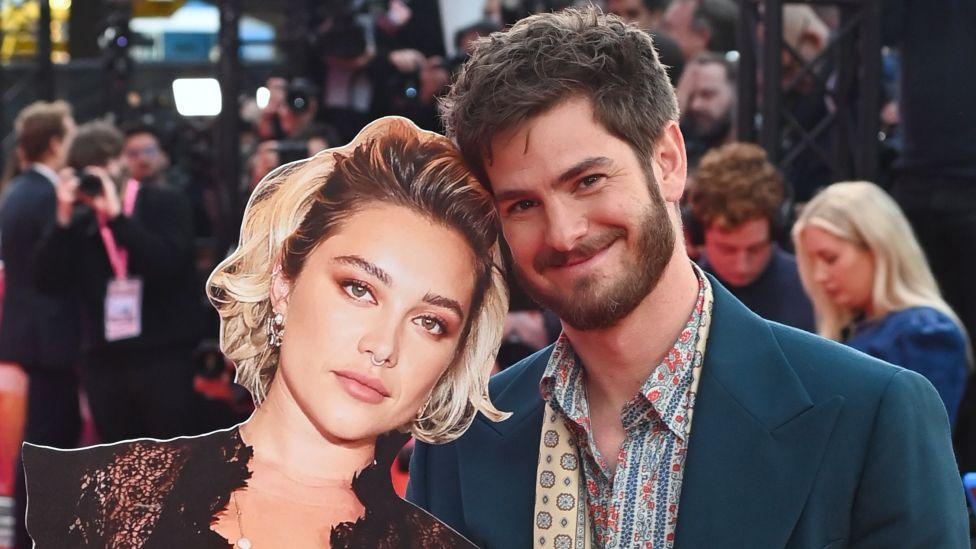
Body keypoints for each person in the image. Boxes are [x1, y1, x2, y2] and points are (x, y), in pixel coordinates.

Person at [408, 9, 968, 548]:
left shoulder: (872, 418)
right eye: (523, 204)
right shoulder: (461, 442)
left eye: (588, 181)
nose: (563, 233)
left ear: (669, 161)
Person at [22, 116, 508, 548]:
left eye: (430, 323)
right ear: (283, 283)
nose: (383, 346)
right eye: (359, 289)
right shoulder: (100, 499)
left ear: (454, 356)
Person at [32, 121, 202, 443]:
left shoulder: (165, 202)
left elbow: (168, 264)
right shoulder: (80, 223)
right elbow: (46, 281)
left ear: (119, 161)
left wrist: (117, 219)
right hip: (105, 362)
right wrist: (63, 219)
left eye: (103, 166)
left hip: (163, 357)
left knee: (172, 464)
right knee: (118, 468)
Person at [792, 181, 970, 426]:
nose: (820, 276)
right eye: (813, 263)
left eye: (830, 258)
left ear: (877, 248)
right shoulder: (855, 327)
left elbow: (918, 441)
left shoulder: (924, 333)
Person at [0, 100, 82, 549]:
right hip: (48, 337)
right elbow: (51, 269)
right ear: (54, 143)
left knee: (45, 437)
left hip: (33, 335)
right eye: (68, 137)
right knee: (50, 440)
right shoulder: (43, 194)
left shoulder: (16, 190)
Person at [690, 142, 814, 331]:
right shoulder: (676, 292)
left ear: (776, 233)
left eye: (755, 249)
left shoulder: (813, 287)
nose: (742, 266)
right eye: (727, 249)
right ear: (700, 235)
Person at [677, 51, 736, 170]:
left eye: (707, 95)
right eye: (690, 97)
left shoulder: (762, 142)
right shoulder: (686, 151)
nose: (695, 105)